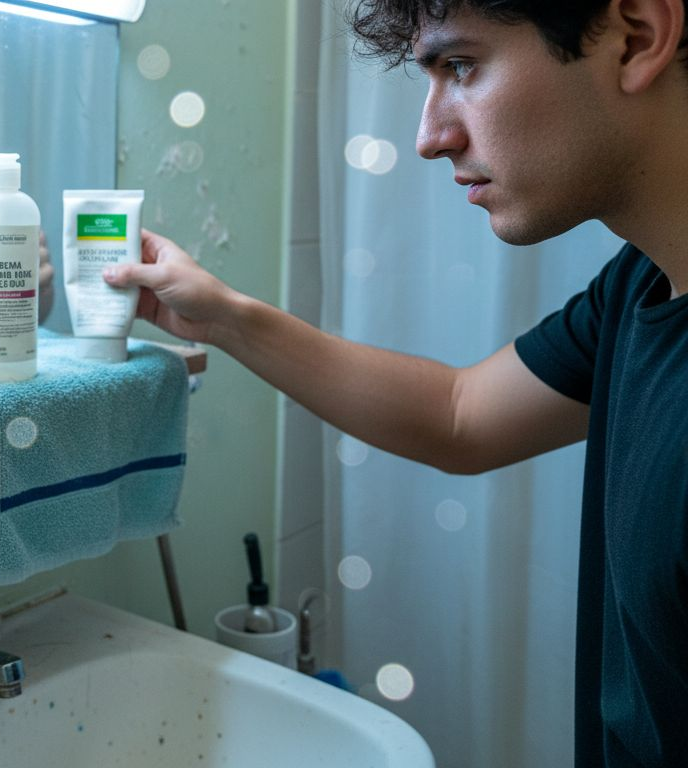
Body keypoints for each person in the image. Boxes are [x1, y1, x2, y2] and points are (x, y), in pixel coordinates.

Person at [102, 1, 688, 765]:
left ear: (637, 36)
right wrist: (221, 317)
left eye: (462, 66)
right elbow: (460, 415)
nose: (428, 137)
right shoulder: (641, 285)